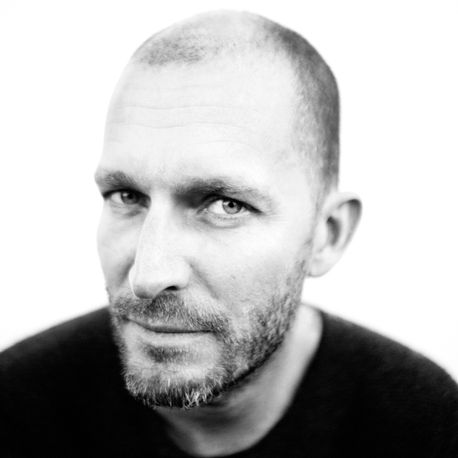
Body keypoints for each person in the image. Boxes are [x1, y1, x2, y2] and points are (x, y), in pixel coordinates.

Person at [1, 10, 457, 458]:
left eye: (226, 204)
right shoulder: (16, 409)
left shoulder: (424, 426)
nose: (149, 274)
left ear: (327, 234)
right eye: (127, 196)